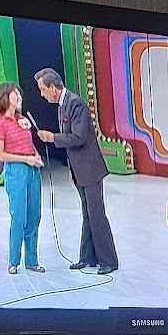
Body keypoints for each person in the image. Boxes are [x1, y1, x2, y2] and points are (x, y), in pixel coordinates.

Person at [34, 68, 119, 277]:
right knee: (87, 213)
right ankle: (87, 257)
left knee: (96, 214)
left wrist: (52, 138)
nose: (42, 95)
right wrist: (71, 169)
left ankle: (108, 260)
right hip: (79, 169)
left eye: (43, 89)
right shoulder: (62, 105)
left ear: (53, 88)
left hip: (90, 168)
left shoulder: (75, 103)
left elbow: (78, 137)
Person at [0, 82, 44, 276]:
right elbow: (0, 154)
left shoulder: (22, 120)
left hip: (32, 170)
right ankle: (13, 261)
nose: (19, 97)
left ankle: (32, 260)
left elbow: (27, 143)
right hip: (16, 171)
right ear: (5, 97)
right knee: (19, 216)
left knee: (34, 216)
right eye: (15, 94)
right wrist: (25, 159)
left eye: (19, 94)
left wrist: (35, 155)